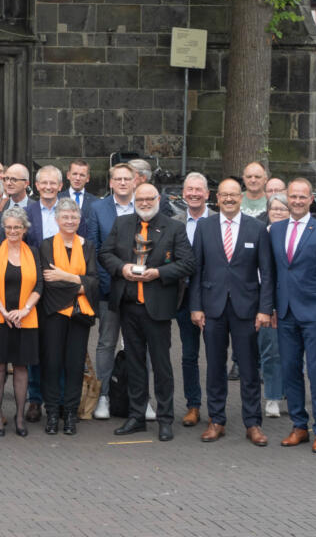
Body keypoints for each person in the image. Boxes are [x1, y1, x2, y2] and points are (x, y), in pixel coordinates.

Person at [101, 182, 195, 441]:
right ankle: (136, 416)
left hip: (158, 309)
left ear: (157, 199)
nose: (144, 203)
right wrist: (122, 269)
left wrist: (159, 273)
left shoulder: (174, 227)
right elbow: (105, 253)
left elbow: (188, 263)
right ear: (134, 200)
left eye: (149, 198)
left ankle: (165, 419)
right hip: (129, 306)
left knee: (162, 366)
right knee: (134, 364)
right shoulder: (122, 224)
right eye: (139, 199)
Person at [188, 178, 273, 445]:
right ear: (217, 197)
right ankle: (217, 420)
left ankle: (253, 423)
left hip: (246, 308)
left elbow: (267, 274)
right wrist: (196, 306)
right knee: (214, 367)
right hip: (212, 308)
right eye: (224, 195)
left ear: (242, 197)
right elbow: (196, 271)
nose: (228, 199)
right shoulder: (204, 227)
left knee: (249, 368)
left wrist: (264, 310)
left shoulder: (257, 229)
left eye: (233, 195)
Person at [272, 177, 316, 453]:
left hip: (315, 314)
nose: (298, 201)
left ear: (311, 199)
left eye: (303, 197)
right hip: (285, 312)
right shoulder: (275, 230)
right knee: (290, 370)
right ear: (287, 198)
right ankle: (299, 426)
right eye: (293, 196)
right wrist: (271, 308)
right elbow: (273, 272)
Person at [32, 198, 92, 435]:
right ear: (56, 220)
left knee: (74, 365)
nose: (70, 221)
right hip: (53, 313)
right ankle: (53, 413)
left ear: (79, 220)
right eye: (65, 217)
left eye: (74, 217)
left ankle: (70, 413)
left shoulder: (88, 246)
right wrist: (80, 283)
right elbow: (48, 281)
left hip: (80, 315)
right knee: (52, 363)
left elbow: (94, 282)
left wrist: (67, 277)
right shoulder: (46, 246)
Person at [86, 162, 137, 419]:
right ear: (111, 182)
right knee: (106, 343)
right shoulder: (98, 209)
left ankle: (141, 399)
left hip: (140, 291)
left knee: (139, 345)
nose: (123, 183)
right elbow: (93, 250)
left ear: (135, 181)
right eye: (118, 179)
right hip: (108, 290)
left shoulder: (145, 205)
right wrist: (108, 282)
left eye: (127, 178)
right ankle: (103, 396)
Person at [0, 207, 40, 437]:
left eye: (17, 227)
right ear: (3, 228)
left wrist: (24, 310)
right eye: (9, 227)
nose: (13, 231)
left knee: (21, 367)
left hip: (26, 318)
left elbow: (39, 286)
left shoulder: (34, 252)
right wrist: (5, 311)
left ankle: (19, 416)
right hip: (0, 317)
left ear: (25, 229)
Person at [260, 192, 290, 417]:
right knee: (271, 351)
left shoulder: (296, 234)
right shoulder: (263, 235)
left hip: (295, 303)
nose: (278, 212)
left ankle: (290, 392)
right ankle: (272, 397)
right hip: (268, 302)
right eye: (274, 209)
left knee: (293, 352)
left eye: (283, 209)